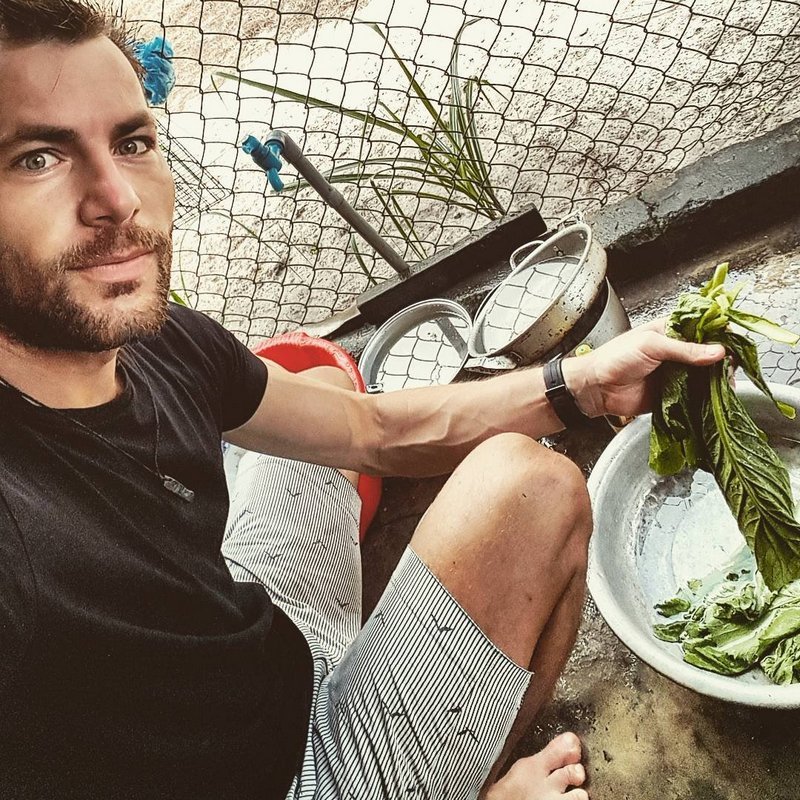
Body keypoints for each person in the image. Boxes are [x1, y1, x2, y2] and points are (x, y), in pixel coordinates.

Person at [0, 2, 727, 799]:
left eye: (132, 142)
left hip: (257, 650)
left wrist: (583, 384)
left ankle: (389, 691)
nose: (118, 200)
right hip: (288, 779)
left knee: (319, 388)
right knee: (535, 487)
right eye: (38, 158)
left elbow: (367, 428)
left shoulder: (155, 338)